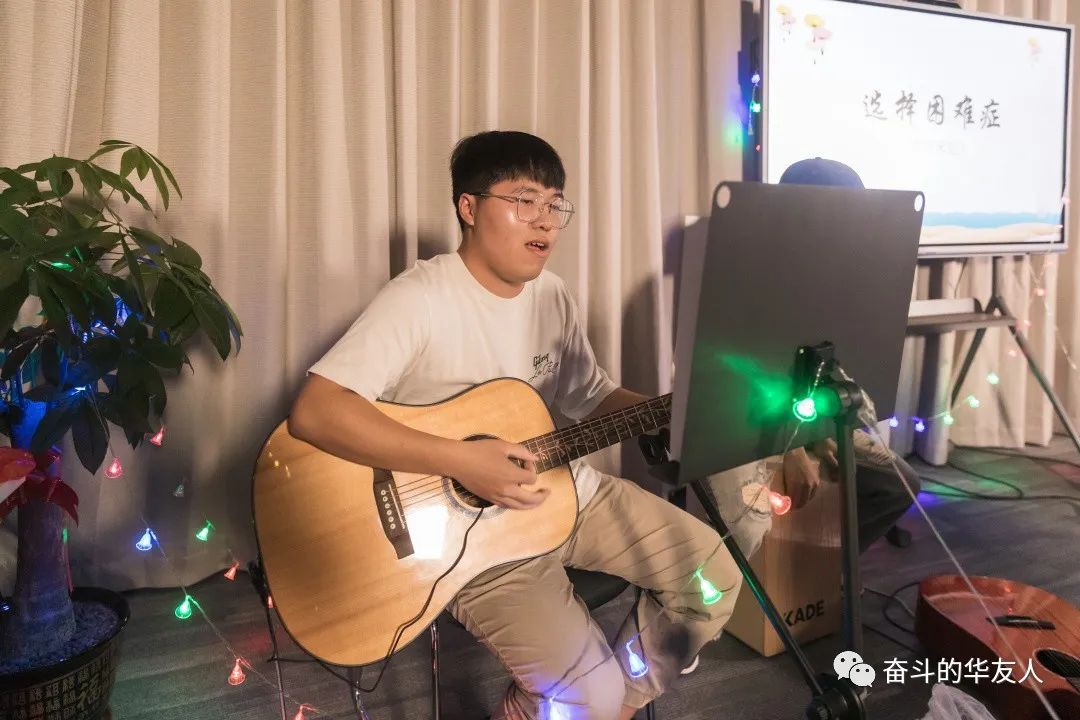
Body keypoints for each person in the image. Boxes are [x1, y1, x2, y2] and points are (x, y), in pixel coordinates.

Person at [288, 130, 749, 720]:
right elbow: (317, 410)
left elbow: (590, 394)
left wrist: (664, 410)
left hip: (569, 495)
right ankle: (587, 703)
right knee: (589, 697)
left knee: (714, 578)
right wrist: (462, 460)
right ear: (469, 207)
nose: (546, 221)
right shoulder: (421, 298)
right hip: (471, 542)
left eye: (555, 204)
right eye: (524, 201)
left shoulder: (551, 295)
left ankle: (606, 705)